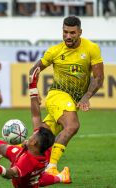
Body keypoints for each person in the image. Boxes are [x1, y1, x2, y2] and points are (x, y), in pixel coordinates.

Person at [29, 16, 104, 176]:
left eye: (72, 33)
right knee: (72, 126)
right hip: (57, 95)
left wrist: (86, 96)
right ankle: (51, 168)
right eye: (65, 32)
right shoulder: (55, 51)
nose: (68, 36)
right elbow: (34, 70)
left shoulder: (91, 48)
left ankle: (1, 152)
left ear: (80, 32)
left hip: (71, 100)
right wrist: (34, 92)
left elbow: (98, 78)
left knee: (41, 139)